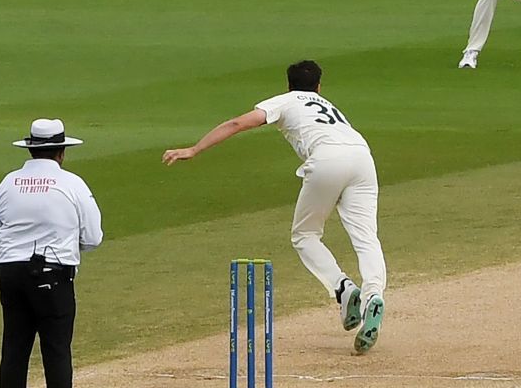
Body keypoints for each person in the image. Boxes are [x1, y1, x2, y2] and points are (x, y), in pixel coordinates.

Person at [162, 61, 388, 354]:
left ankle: (344, 289)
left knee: (305, 235)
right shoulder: (329, 105)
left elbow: (237, 123)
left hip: (327, 159)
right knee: (366, 236)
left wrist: (194, 149)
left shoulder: (284, 100)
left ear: (289, 84)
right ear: (319, 87)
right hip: (362, 157)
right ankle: (373, 296)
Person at [0, 119, 104, 388]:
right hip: (53, 273)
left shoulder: (8, 183)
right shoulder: (72, 184)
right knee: (55, 350)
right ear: (62, 152)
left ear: (30, 148)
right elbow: (93, 237)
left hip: (10, 272)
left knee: (14, 349)